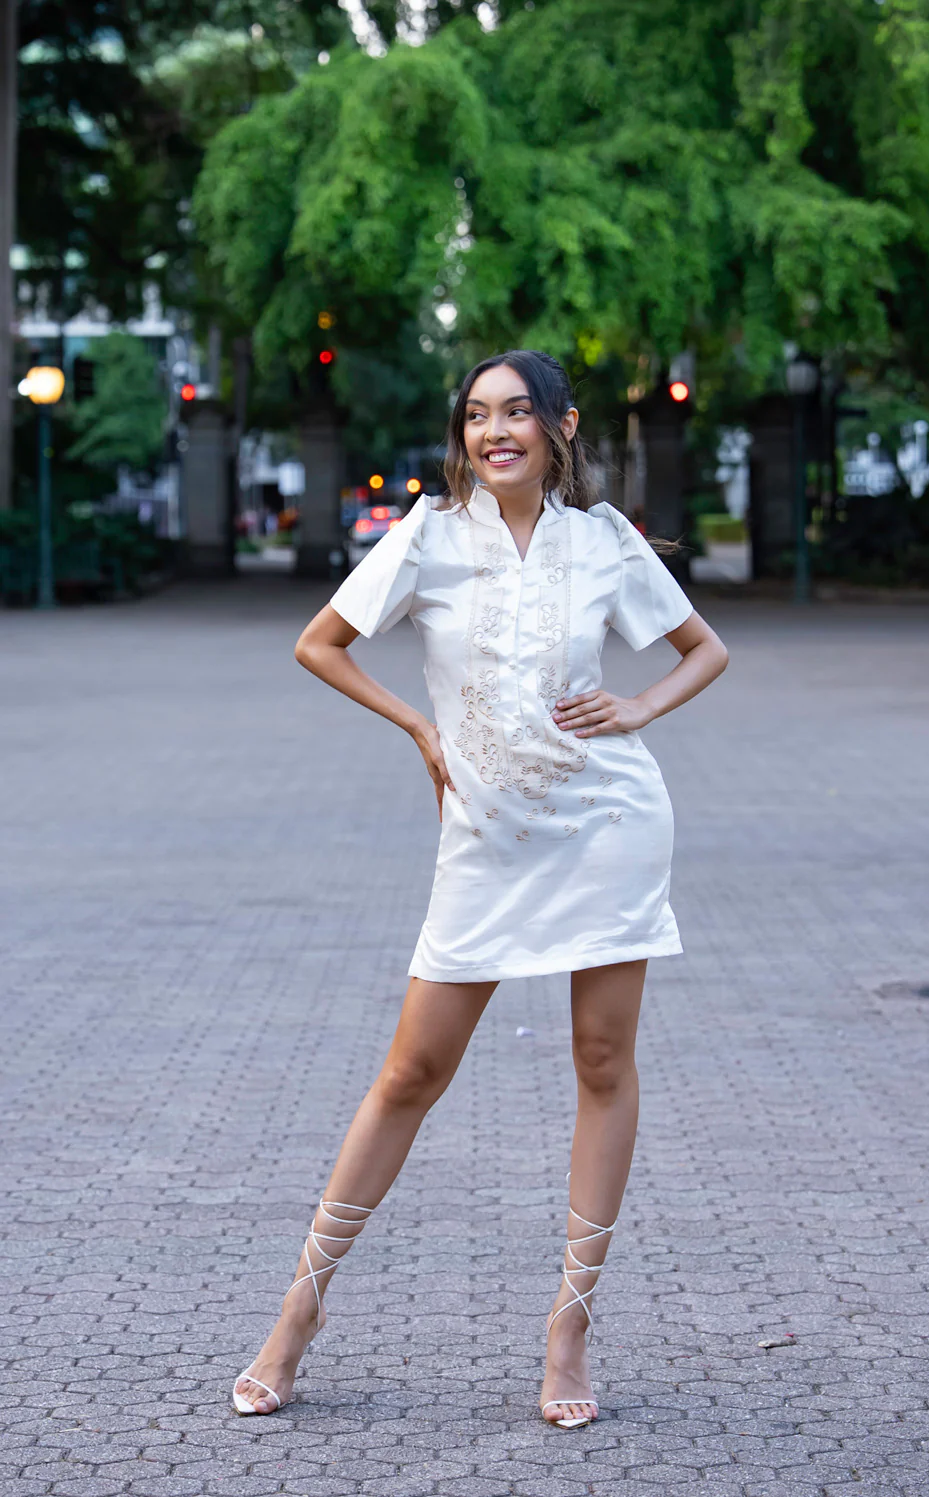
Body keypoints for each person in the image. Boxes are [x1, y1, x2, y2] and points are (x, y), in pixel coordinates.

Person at [232, 349, 729, 1429]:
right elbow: (320, 644)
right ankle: (299, 1310)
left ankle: (569, 1328)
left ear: (561, 425)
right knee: (410, 1071)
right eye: (475, 416)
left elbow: (704, 651)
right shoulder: (427, 537)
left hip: (606, 827)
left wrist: (638, 709)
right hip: (484, 841)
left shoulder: (604, 540)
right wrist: (419, 726)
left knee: (602, 1062)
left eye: (515, 412)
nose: (492, 431)